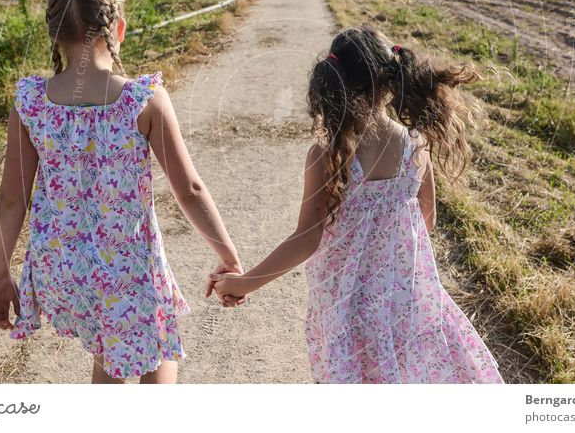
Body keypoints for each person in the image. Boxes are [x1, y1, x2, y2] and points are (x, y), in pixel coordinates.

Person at [0, 0, 243, 384]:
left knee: (110, 354)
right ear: (118, 27)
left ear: (54, 33)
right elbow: (190, 189)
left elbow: (11, 198)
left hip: (63, 268)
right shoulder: (142, 100)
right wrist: (229, 256)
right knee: (157, 347)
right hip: (125, 269)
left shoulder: (31, 102)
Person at [211, 25, 504, 384]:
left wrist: (244, 284)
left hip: (346, 302)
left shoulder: (329, 152)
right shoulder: (416, 145)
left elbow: (307, 237)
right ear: (390, 81)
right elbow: (425, 222)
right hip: (405, 296)